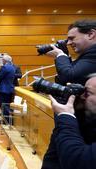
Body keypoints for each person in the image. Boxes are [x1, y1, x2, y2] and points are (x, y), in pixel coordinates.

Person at [42, 19, 96, 169]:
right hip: (71, 124)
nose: (69, 42)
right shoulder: (86, 56)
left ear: (91, 34)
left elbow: (69, 75)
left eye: (72, 38)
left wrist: (60, 55)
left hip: (82, 130)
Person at [47, 74, 96, 169]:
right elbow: (53, 157)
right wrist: (75, 112)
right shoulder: (87, 119)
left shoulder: (68, 121)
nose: (81, 97)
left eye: (87, 93)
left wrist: (66, 116)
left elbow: (76, 161)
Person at [0, 54, 15, 123]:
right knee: (8, 105)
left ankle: (5, 121)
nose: (2, 61)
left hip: (4, 89)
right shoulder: (12, 67)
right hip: (10, 89)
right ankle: (9, 120)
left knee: (3, 105)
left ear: (5, 60)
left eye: (2, 59)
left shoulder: (4, 67)